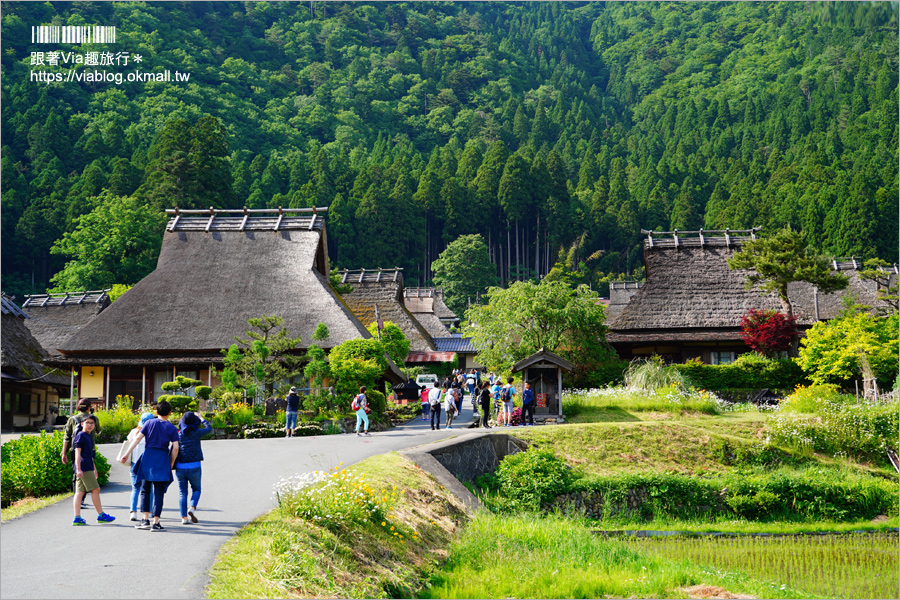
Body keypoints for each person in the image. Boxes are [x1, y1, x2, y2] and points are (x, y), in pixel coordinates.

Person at [119, 400, 180, 531]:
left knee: (145, 490)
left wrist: (127, 453)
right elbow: (175, 448)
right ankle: (156, 523)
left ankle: (145, 520)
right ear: (170, 413)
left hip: (147, 458)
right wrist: (171, 462)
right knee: (159, 492)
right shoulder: (172, 428)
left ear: (156, 412)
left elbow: (137, 439)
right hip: (162, 459)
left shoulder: (149, 423)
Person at [72, 415, 115, 525]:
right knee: (96, 489)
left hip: (87, 467)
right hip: (84, 467)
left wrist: (94, 468)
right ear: (82, 424)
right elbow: (77, 453)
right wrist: (79, 469)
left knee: (80, 492)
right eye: (87, 422)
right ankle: (101, 515)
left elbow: (90, 455)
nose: (90, 425)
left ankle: (77, 518)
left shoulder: (88, 436)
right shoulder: (81, 435)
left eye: (92, 423)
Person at [175, 412, 212, 525]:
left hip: (181, 466)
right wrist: (201, 418)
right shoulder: (197, 433)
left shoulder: (179, 434)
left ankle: (184, 518)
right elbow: (209, 428)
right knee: (196, 489)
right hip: (195, 466)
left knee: (182, 493)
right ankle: (192, 507)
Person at [117, 412, 155, 522]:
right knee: (149, 489)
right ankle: (150, 512)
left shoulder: (134, 431)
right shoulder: (153, 432)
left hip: (135, 463)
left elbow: (129, 441)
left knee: (135, 488)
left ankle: (133, 512)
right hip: (148, 463)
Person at [61, 399, 101, 505]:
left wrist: (63, 452)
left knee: (76, 473)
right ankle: (82, 499)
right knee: (89, 471)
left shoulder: (72, 419)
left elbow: (67, 437)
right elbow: (98, 432)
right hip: (89, 449)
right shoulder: (94, 419)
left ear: (78, 407)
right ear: (89, 408)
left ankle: (78, 498)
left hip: (74, 449)